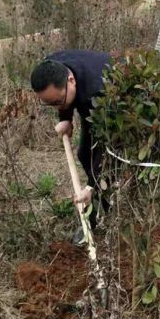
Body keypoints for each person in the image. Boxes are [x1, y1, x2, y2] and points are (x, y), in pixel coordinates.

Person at [30, 50, 110, 243]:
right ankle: (95, 212)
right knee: (84, 155)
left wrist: (90, 187)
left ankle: (107, 211)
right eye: (50, 104)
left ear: (71, 80)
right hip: (90, 101)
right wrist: (65, 118)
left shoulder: (96, 93)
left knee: (103, 164)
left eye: (58, 102)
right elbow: (61, 99)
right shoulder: (51, 66)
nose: (57, 107)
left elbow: (104, 149)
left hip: (119, 108)